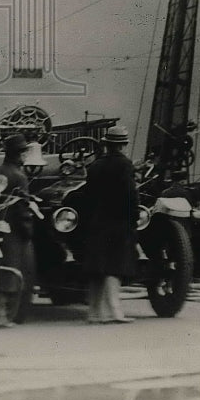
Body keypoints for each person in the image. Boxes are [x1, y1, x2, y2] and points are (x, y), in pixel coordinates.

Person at [82, 125, 139, 324]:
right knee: (115, 266)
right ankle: (115, 312)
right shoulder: (125, 165)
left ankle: (93, 313)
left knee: (97, 268)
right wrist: (134, 219)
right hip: (119, 222)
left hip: (97, 223)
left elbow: (86, 197)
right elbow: (131, 196)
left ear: (106, 145)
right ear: (123, 145)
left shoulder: (95, 165)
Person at [0, 133, 37, 325]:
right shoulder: (19, 176)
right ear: (20, 154)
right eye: (24, 152)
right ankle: (3, 314)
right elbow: (23, 209)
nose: (25, 156)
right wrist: (28, 230)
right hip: (14, 232)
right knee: (14, 271)